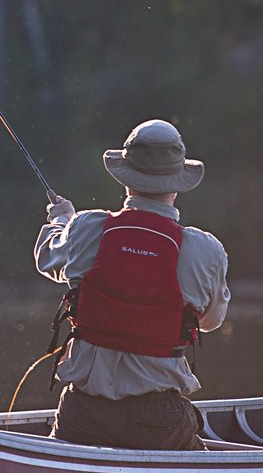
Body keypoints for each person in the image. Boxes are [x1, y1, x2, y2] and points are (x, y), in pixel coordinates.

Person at [34, 119, 231, 450]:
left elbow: (48, 259)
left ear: (124, 176)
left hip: (83, 411)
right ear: (178, 181)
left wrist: (60, 219)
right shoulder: (205, 250)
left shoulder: (86, 227)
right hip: (159, 419)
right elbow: (211, 322)